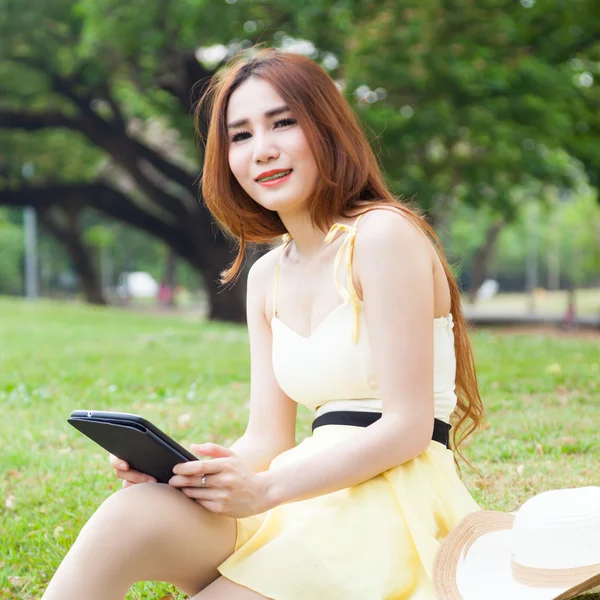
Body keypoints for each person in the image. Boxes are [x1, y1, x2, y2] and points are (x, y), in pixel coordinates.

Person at [43, 47, 483, 600]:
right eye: (241, 135)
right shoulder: (268, 274)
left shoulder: (384, 235)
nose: (263, 150)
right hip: (300, 491)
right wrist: (192, 471)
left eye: (282, 123)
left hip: (391, 502)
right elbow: (267, 438)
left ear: (326, 129)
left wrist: (267, 489)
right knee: (135, 510)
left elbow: (407, 427)